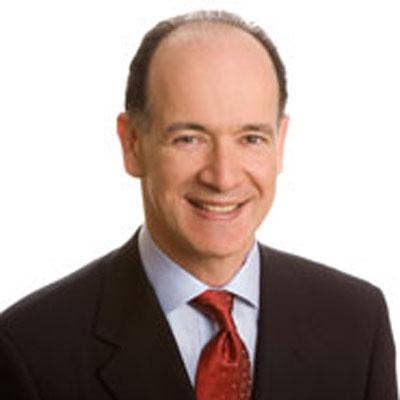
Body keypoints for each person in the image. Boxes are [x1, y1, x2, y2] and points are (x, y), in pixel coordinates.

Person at [0, 10, 397, 400]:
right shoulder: (31, 350)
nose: (223, 177)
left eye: (251, 138)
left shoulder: (358, 324)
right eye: (189, 138)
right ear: (132, 144)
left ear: (280, 144)